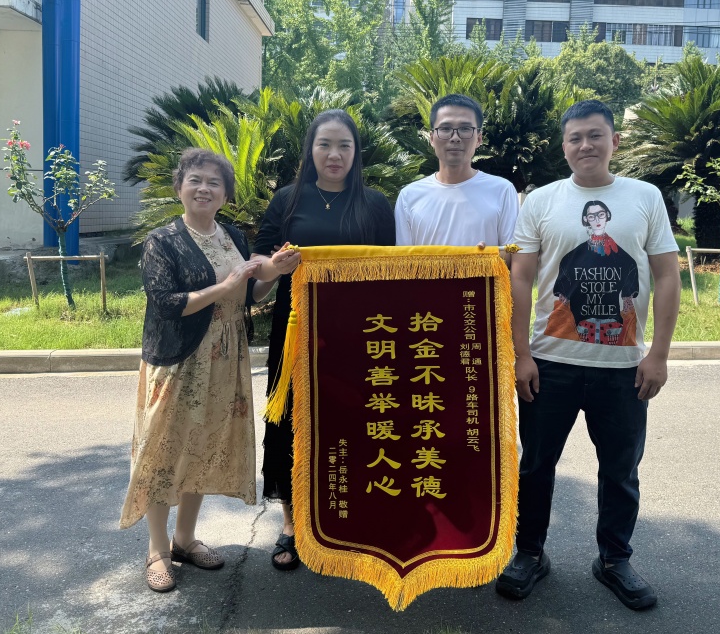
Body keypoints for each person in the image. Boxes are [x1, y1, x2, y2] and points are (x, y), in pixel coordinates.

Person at [495, 100, 681, 609]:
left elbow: (666, 275)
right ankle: (529, 553)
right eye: (575, 138)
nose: (585, 146)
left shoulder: (644, 197)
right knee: (536, 465)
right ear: (564, 146)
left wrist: (658, 354)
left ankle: (615, 559)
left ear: (614, 141)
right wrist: (521, 354)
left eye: (595, 135)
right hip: (549, 363)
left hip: (623, 368)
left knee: (620, 469)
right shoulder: (542, 201)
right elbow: (521, 279)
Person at [120, 148, 299, 593]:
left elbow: (250, 295)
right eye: (195, 180)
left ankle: (184, 539)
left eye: (214, 183)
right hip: (180, 359)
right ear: (179, 187)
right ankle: (157, 549)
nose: (204, 189)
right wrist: (224, 286)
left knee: (200, 447)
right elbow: (166, 303)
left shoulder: (232, 236)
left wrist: (274, 272)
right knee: (163, 450)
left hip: (225, 358)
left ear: (225, 194)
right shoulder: (163, 240)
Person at [251, 109, 396, 571]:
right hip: (295, 331)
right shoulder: (287, 200)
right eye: (325, 145)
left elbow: (392, 272)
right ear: (310, 150)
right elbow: (258, 270)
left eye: (344, 146)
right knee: (292, 421)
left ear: (356, 152)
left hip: (360, 334)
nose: (334, 155)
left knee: (356, 422)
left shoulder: (375, 204)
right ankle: (292, 523)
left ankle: (351, 518)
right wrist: (275, 266)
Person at [394, 93, 517, 249]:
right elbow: (402, 259)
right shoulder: (409, 196)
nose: (455, 138)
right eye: (445, 129)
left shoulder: (502, 191)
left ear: (479, 139)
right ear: (432, 138)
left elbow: (513, 253)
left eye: (465, 129)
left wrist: (487, 256)